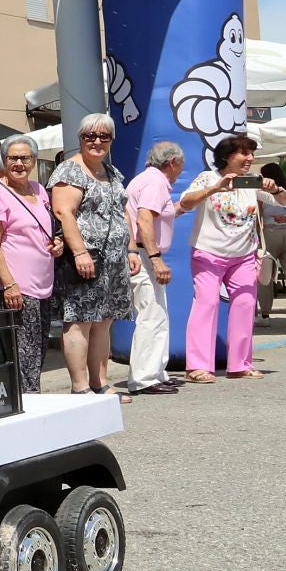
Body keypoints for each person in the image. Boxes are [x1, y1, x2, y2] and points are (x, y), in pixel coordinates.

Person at [174, 133, 286, 383]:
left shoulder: (251, 182)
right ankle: (198, 366)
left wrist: (275, 188)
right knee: (208, 304)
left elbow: (285, 202)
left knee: (246, 305)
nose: (250, 158)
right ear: (227, 156)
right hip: (208, 253)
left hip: (244, 255)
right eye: (244, 153)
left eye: (251, 153)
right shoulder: (208, 177)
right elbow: (186, 201)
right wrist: (215, 188)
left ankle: (240, 364)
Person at [49, 113, 132, 395]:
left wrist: (131, 249)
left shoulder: (111, 172)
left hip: (113, 260)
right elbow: (64, 212)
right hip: (87, 258)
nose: (97, 142)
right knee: (80, 320)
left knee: (103, 321)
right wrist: (80, 252)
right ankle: (80, 386)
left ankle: (100, 382)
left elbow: (121, 211)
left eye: (104, 137)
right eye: (90, 136)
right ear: (80, 139)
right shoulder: (69, 171)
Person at [0, 136, 62, 395]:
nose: (18, 163)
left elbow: (47, 229)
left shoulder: (39, 190)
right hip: (18, 284)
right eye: (12, 158)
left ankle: (31, 396)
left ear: (34, 161)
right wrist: (9, 284)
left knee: (38, 346)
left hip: (43, 283)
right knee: (22, 349)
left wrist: (57, 242)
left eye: (24, 158)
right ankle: (26, 400)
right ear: (4, 161)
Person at [123, 140, 185, 397]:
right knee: (151, 316)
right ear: (172, 163)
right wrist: (156, 257)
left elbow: (153, 215)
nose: (181, 169)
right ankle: (144, 377)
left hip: (143, 252)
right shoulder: (155, 182)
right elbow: (145, 218)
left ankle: (155, 372)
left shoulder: (146, 180)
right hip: (145, 254)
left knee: (157, 314)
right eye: (180, 165)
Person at [255, 162, 286, 322]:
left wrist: (258, 237)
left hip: (270, 232)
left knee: (265, 275)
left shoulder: (263, 193)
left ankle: (265, 314)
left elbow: (258, 217)